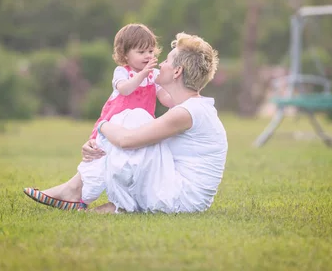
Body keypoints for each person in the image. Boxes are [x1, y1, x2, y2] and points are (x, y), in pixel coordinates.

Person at [23, 32, 228, 214]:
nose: (159, 63)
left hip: (181, 198)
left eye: (166, 60)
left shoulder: (187, 112)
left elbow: (127, 141)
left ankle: (80, 191)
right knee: (132, 119)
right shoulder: (191, 108)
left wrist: (101, 126)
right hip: (176, 189)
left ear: (177, 72)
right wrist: (97, 143)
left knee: (135, 116)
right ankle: (86, 192)